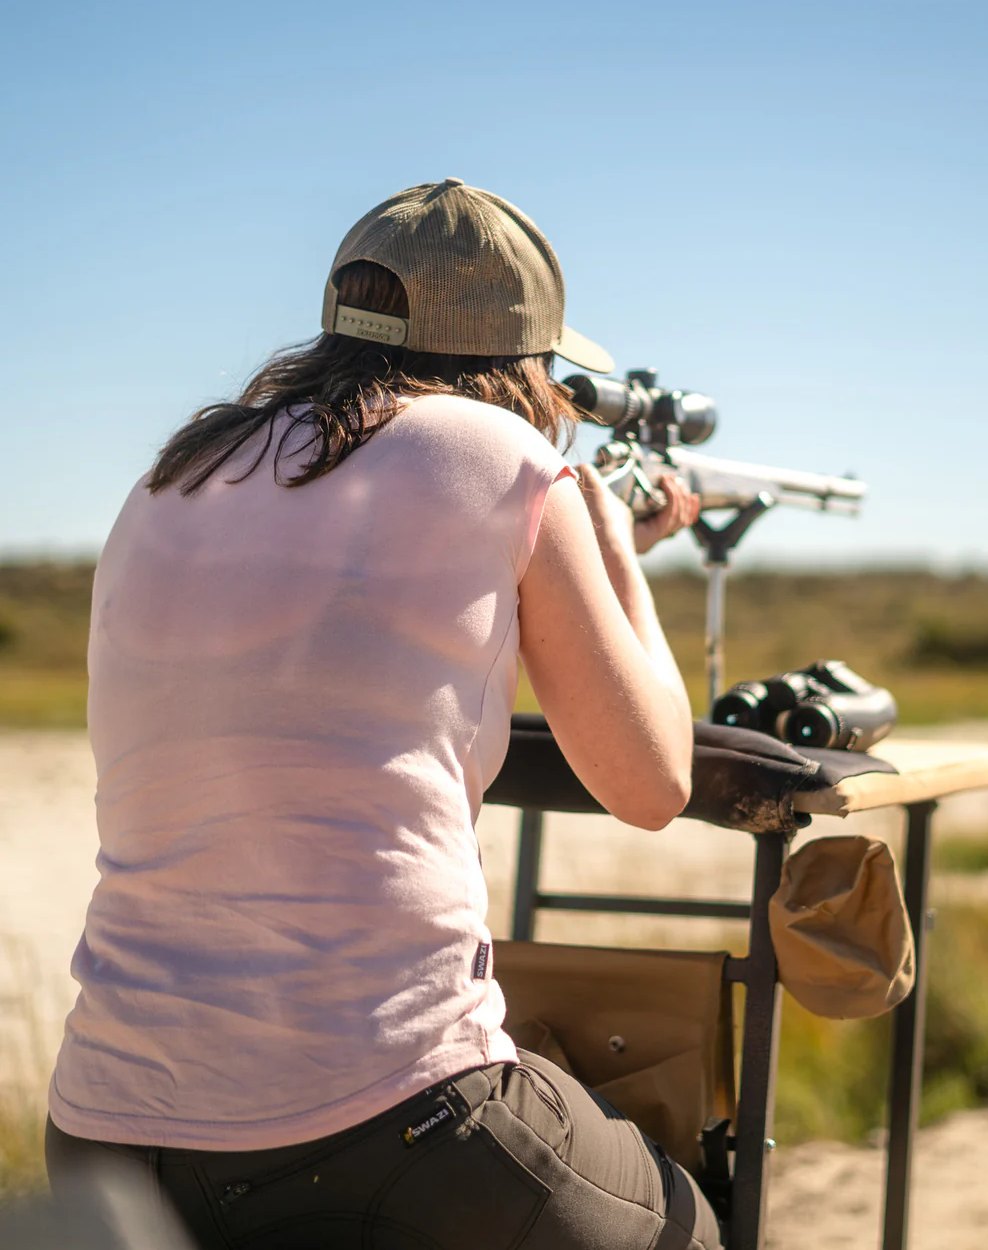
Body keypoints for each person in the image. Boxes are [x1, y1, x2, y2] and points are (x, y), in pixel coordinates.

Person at [45, 178, 719, 1250]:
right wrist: (603, 545)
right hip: (389, 1115)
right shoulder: (507, 459)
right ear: (520, 358)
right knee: (686, 1214)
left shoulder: (169, 475)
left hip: (104, 1136)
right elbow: (650, 782)